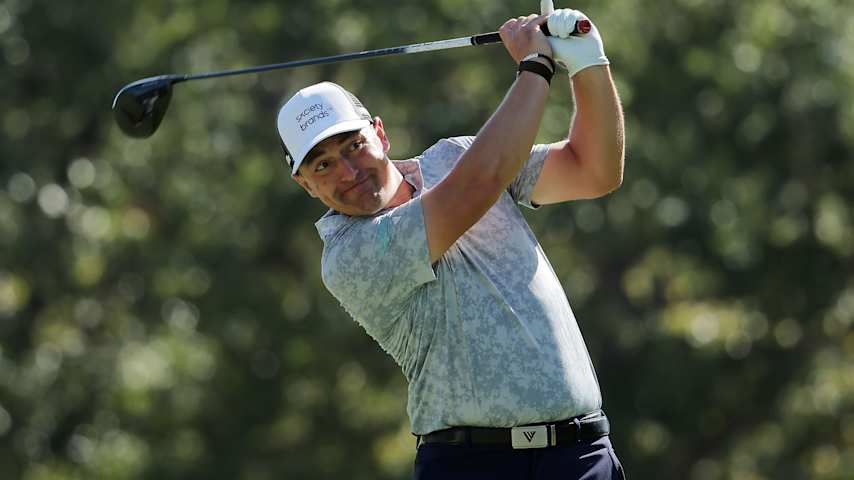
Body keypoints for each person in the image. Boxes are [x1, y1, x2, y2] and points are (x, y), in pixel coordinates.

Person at [276, 4, 625, 479]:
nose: (349, 172)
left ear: (379, 132)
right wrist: (537, 66)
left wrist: (586, 60)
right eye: (323, 165)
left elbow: (593, 170)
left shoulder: (454, 156)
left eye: (353, 146)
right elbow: (475, 186)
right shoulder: (350, 255)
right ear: (305, 185)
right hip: (472, 465)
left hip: (581, 455)